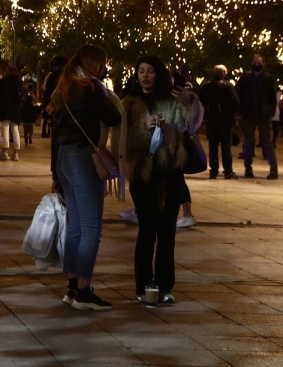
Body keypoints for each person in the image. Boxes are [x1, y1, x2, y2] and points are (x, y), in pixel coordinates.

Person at [121, 56, 202, 305]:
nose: (145, 76)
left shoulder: (172, 100)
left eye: (150, 71)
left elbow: (191, 125)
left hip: (170, 174)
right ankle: (143, 285)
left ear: (159, 74)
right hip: (143, 176)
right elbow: (121, 140)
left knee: (167, 232)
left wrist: (190, 102)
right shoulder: (129, 103)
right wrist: (142, 127)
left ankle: (165, 286)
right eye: (141, 71)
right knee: (146, 231)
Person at [50, 44, 122, 311]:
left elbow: (56, 135)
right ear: (94, 63)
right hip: (83, 159)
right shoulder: (91, 88)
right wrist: (105, 92)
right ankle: (83, 291)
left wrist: (55, 173)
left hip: (64, 159)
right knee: (91, 228)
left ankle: (72, 288)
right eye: (103, 62)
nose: (105, 68)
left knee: (76, 228)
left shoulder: (63, 89)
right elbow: (113, 117)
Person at [235, 54, 279, 179]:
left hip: (263, 114)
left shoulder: (268, 78)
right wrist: (240, 109)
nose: (257, 64)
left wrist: (271, 112)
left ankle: (273, 170)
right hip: (248, 113)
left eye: (259, 62)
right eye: (255, 62)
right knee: (249, 142)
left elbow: (272, 97)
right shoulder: (245, 78)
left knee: (267, 142)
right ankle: (248, 169)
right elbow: (237, 93)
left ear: (264, 64)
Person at [198, 65, 239, 179]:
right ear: (223, 74)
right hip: (225, 121)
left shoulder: (207, 86)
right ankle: (228, 171)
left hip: (212, 121)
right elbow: (235, 102)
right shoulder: (228, 86)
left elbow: (200, 100)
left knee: (213, 147)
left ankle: (214, 170)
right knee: (226, 148)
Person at [0, 63, 23, 160]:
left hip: (5, 108)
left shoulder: (3, 81)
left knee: (5, 128)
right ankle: (16, 152)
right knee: (15, 129)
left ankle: (4, 151)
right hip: (16, 108)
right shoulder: (19, 82)